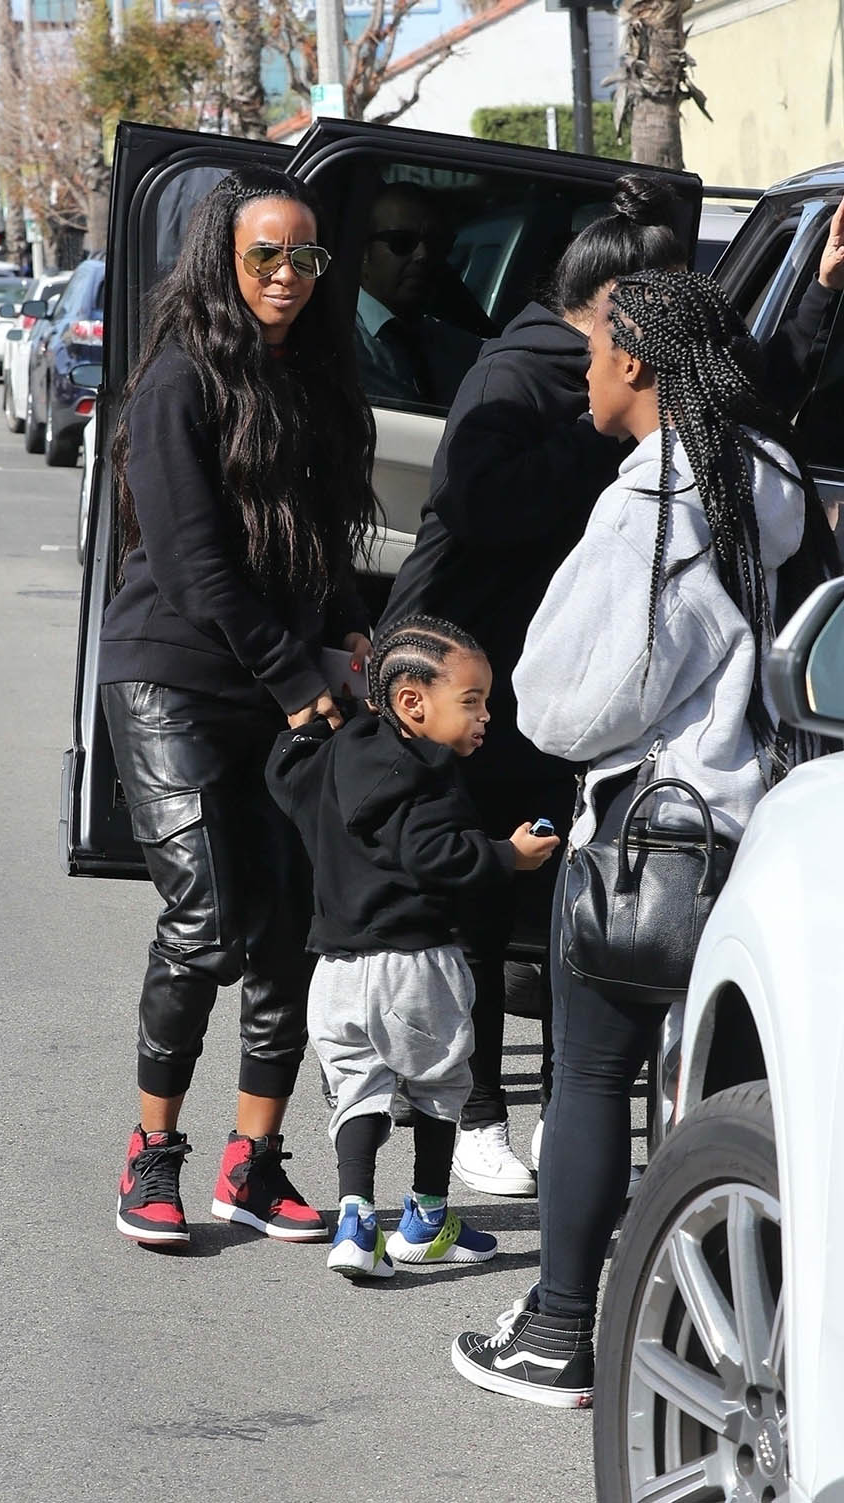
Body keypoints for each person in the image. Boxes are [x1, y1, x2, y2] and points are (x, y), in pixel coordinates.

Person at [380, 176, 844, 1199]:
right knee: (479, 885)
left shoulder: (680, 439)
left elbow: (751, 385)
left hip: (612, 688)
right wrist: (606, 442)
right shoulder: (520, 385)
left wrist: (812, 293)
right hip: (491, 660)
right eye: (654, 303)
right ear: (611, 316)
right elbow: (477, 507)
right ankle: (476, 1112)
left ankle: (564, 1137)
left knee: (578, 915)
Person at [451, 268, 841, 1406]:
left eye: (596, 349)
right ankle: (728, 1326)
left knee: (588, 1078)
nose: (583, 367)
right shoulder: (767, 477)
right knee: (722, 1099)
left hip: (650, 838)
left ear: (637, 366)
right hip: (765, 831)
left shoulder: (651, 503)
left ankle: (561, 1330)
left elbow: (570, 700)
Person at [99, 165, 377, 1249]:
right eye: (264, 256)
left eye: (304, 259)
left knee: (289, 928)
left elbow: (315, 537)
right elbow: (194, 564)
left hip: (276, 681)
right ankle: (149, 1153)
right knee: (209, 916)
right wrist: (297, 675)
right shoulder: (177, 383)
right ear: (222, 260)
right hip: (172, 675)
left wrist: (350, 627)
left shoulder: (303, 381)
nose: (286, 278)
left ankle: (252, 1166)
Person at [266, 616, 559, 1279]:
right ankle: (426, 1217)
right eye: (473, 701)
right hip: (416, 964)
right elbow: (435, 854)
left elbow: (286, 777)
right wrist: (507, 855)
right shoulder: (426, 774)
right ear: (411, 701)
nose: (487, 716)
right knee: (438, 1086)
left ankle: (355, 1218)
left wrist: (311, 726)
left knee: (358, 1092)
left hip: (337, 970)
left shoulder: (341, 757)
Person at [355, 181, 483, 407]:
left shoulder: (456, 347)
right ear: (365, 252)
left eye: (436, 243)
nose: (423, 255)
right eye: (402, 242)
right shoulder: (340, 341)